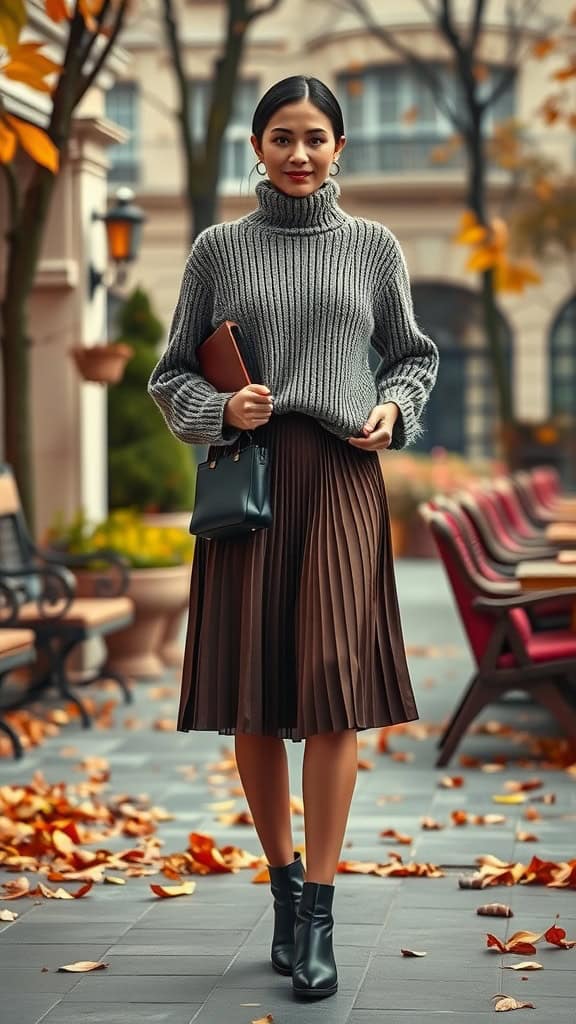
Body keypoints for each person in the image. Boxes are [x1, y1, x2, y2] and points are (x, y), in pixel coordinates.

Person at [148, 75, 439, 1001]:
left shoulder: (374, 247)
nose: (300, 153)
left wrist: (396, 408)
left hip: (344, 483)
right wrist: (220, 405)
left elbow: (413, 354)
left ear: (340, 146)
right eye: (283, 136)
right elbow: (169, 376)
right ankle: (280, 887)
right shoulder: (216, 249)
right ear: (258, 146)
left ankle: (319, 909)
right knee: (252, 696)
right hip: (252, 483)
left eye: (316, 136)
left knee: (332, 697)